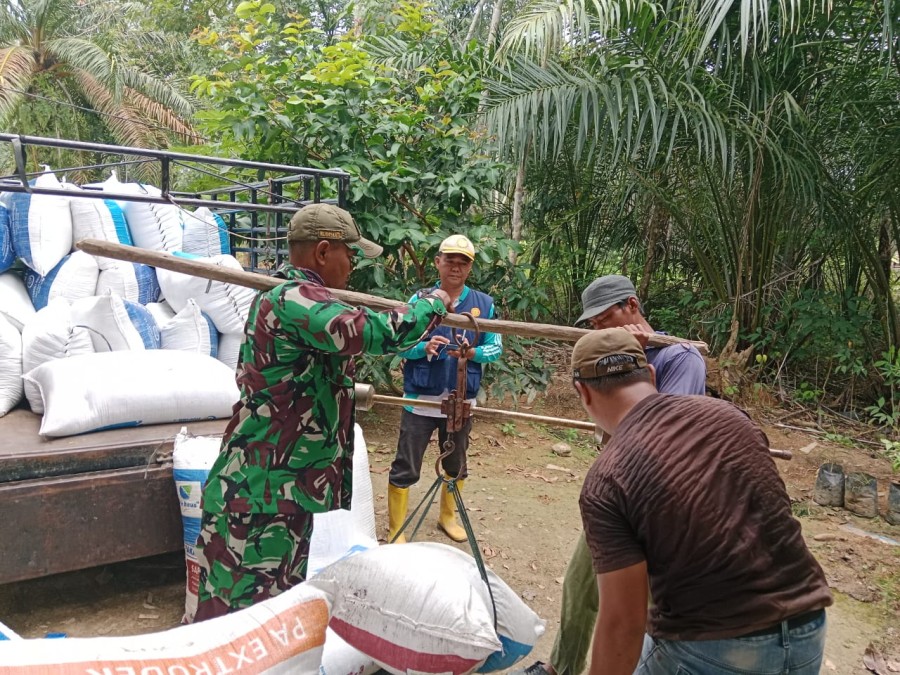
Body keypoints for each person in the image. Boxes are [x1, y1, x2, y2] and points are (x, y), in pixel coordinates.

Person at [193, 203, 451, 620]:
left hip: (287, 495)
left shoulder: (306, 300)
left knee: (276, 619)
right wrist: (431, 303)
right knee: (237, 624)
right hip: (261, 495)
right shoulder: (292, 299)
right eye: (350, 255)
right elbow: (373, 332)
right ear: (323, 252)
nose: (352, 266)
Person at [571, 328, 832, 674]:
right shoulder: (730, 416)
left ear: (583, 392)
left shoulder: (607, 478)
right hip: (808, 626)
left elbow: (623, 623)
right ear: (650, 374)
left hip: (716, 644)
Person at [521, 274, 706, 675]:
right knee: (579, 584)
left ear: (633, 306)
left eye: (607, 320)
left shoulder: (679, 358)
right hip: (618, 500)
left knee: (654, 608)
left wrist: (631, 364)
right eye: (594, 325)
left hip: (665, 508)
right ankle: (562, 667)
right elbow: (608, 433)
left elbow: (667, 438)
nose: (601, 330)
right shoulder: (605, 359)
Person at [386, 234, 502, 543]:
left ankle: (447, 517)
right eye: (450, 260)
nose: (456, 267)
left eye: (463, 262)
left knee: (455, 463)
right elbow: (400, 345)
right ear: (438, 262)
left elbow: (496, 348)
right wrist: (424, 347)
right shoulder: (419, 300)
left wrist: (473, 353)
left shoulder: (484, 305)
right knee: (406, 464)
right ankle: (396, 528)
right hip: (420, 399)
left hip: (461, 400)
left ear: (470, 268)